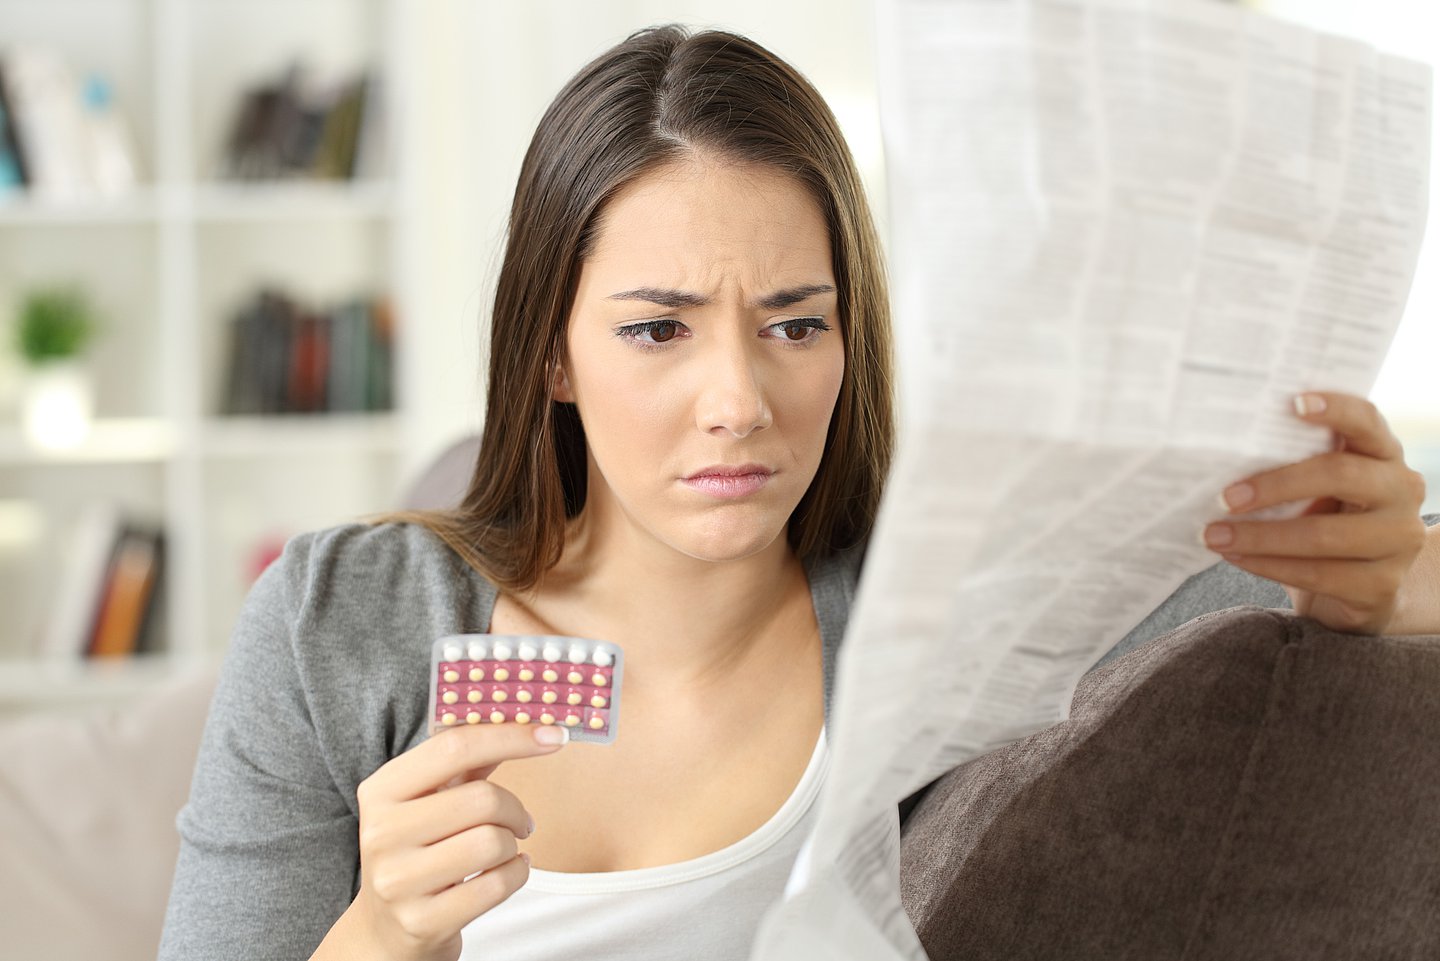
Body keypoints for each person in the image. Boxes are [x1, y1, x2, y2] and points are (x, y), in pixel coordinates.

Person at [157, 23, 1439, 961]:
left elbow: (1363, 572)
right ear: (551, 348)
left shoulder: (944, 600)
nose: (740, 401)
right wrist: (384, 930)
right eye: (659, 331)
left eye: (793, 323)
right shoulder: (330, 627)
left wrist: (1374, 565)